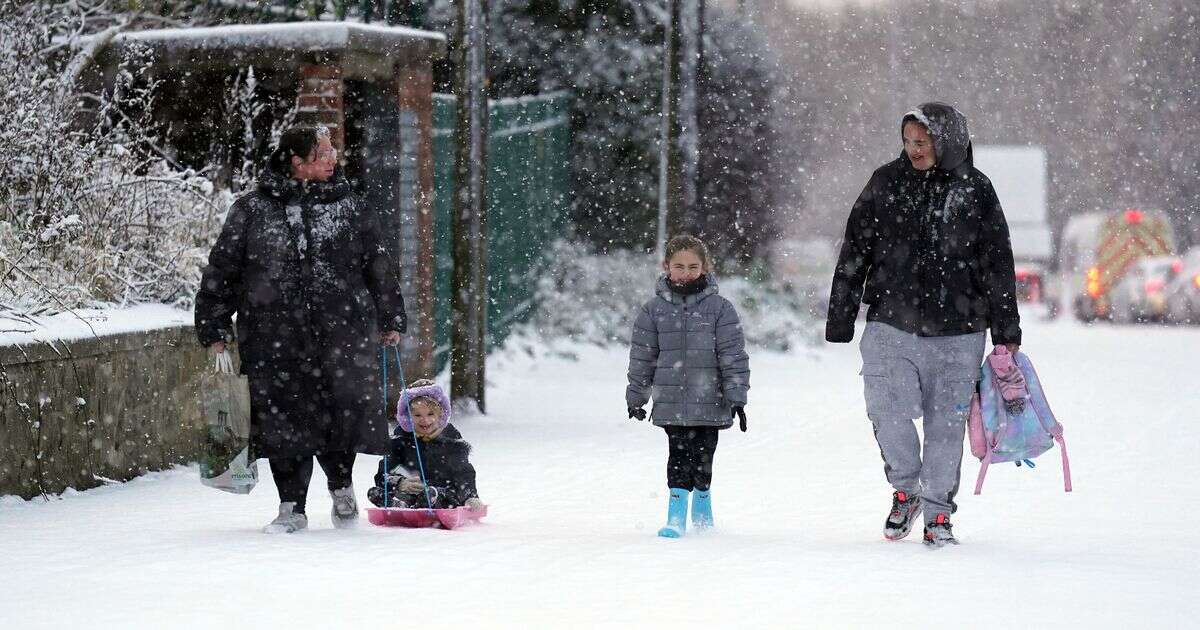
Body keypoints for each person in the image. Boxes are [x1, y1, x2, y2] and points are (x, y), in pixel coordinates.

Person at [826, 102, 1022, 548]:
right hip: (891, 323)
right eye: (909, 141)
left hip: (960, 329)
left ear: (947, 140)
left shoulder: (975, 190)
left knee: (945, 425)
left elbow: (997, 263)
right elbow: (856, 247)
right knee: (886, 410)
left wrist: (1006, 330)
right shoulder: (885, 183)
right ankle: (906, 488)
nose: (914, 150)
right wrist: (841, 313)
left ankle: (937, 513)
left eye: (924, 141)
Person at [195, 124, 406, 534]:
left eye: (332, 152)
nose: (333, 159)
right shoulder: (252, 210)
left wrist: (390, 316)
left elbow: (378, 265)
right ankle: (291, 505)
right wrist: (214, 323)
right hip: (273, 337)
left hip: (342, 332)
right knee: (282, 421)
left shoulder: (351, 207)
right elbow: (223, 270)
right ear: (297, 162)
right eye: (323, 153)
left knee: (340, 412)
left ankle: (342, 487)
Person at [626, 234, 750, 538]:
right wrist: (636, 397)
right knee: (678, 455)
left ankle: (703, 505)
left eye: (693, 266)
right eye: (679, 266)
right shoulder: (652, 310)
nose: (686, 273)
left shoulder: (721, 309)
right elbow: (643, 357)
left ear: (705, 267)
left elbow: (732, 355)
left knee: (704, 455)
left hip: (711, 399)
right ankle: (676, 516)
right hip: (671, 400)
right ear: (666, 266)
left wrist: (737, 397)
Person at [368, 379, 482, 510]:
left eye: (430, 414)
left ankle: (424, 501)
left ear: (440, 414)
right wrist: (400, 483)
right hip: (411, 493)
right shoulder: (401, 438)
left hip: (444, 494)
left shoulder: (450, 438)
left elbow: (463, 473)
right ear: (407, 416)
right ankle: (399, 505)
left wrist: (471, 496)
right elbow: (385, 472)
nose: (425, 420)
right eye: (417, 415)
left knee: (432, 494)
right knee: (375, 492)